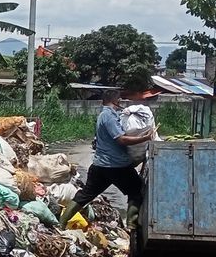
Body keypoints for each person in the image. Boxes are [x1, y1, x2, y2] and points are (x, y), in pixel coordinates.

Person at [59, 90, 155, 230]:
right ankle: (131, 224)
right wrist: (145, 138)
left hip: (100, 165)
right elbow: (121, 139)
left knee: (86, 194)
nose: (121, 103)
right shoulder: (108, 116)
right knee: (136, 189)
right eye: (119, 100)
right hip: (116, 166)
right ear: (114, 100)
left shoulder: (106, 115)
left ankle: (61, 222)